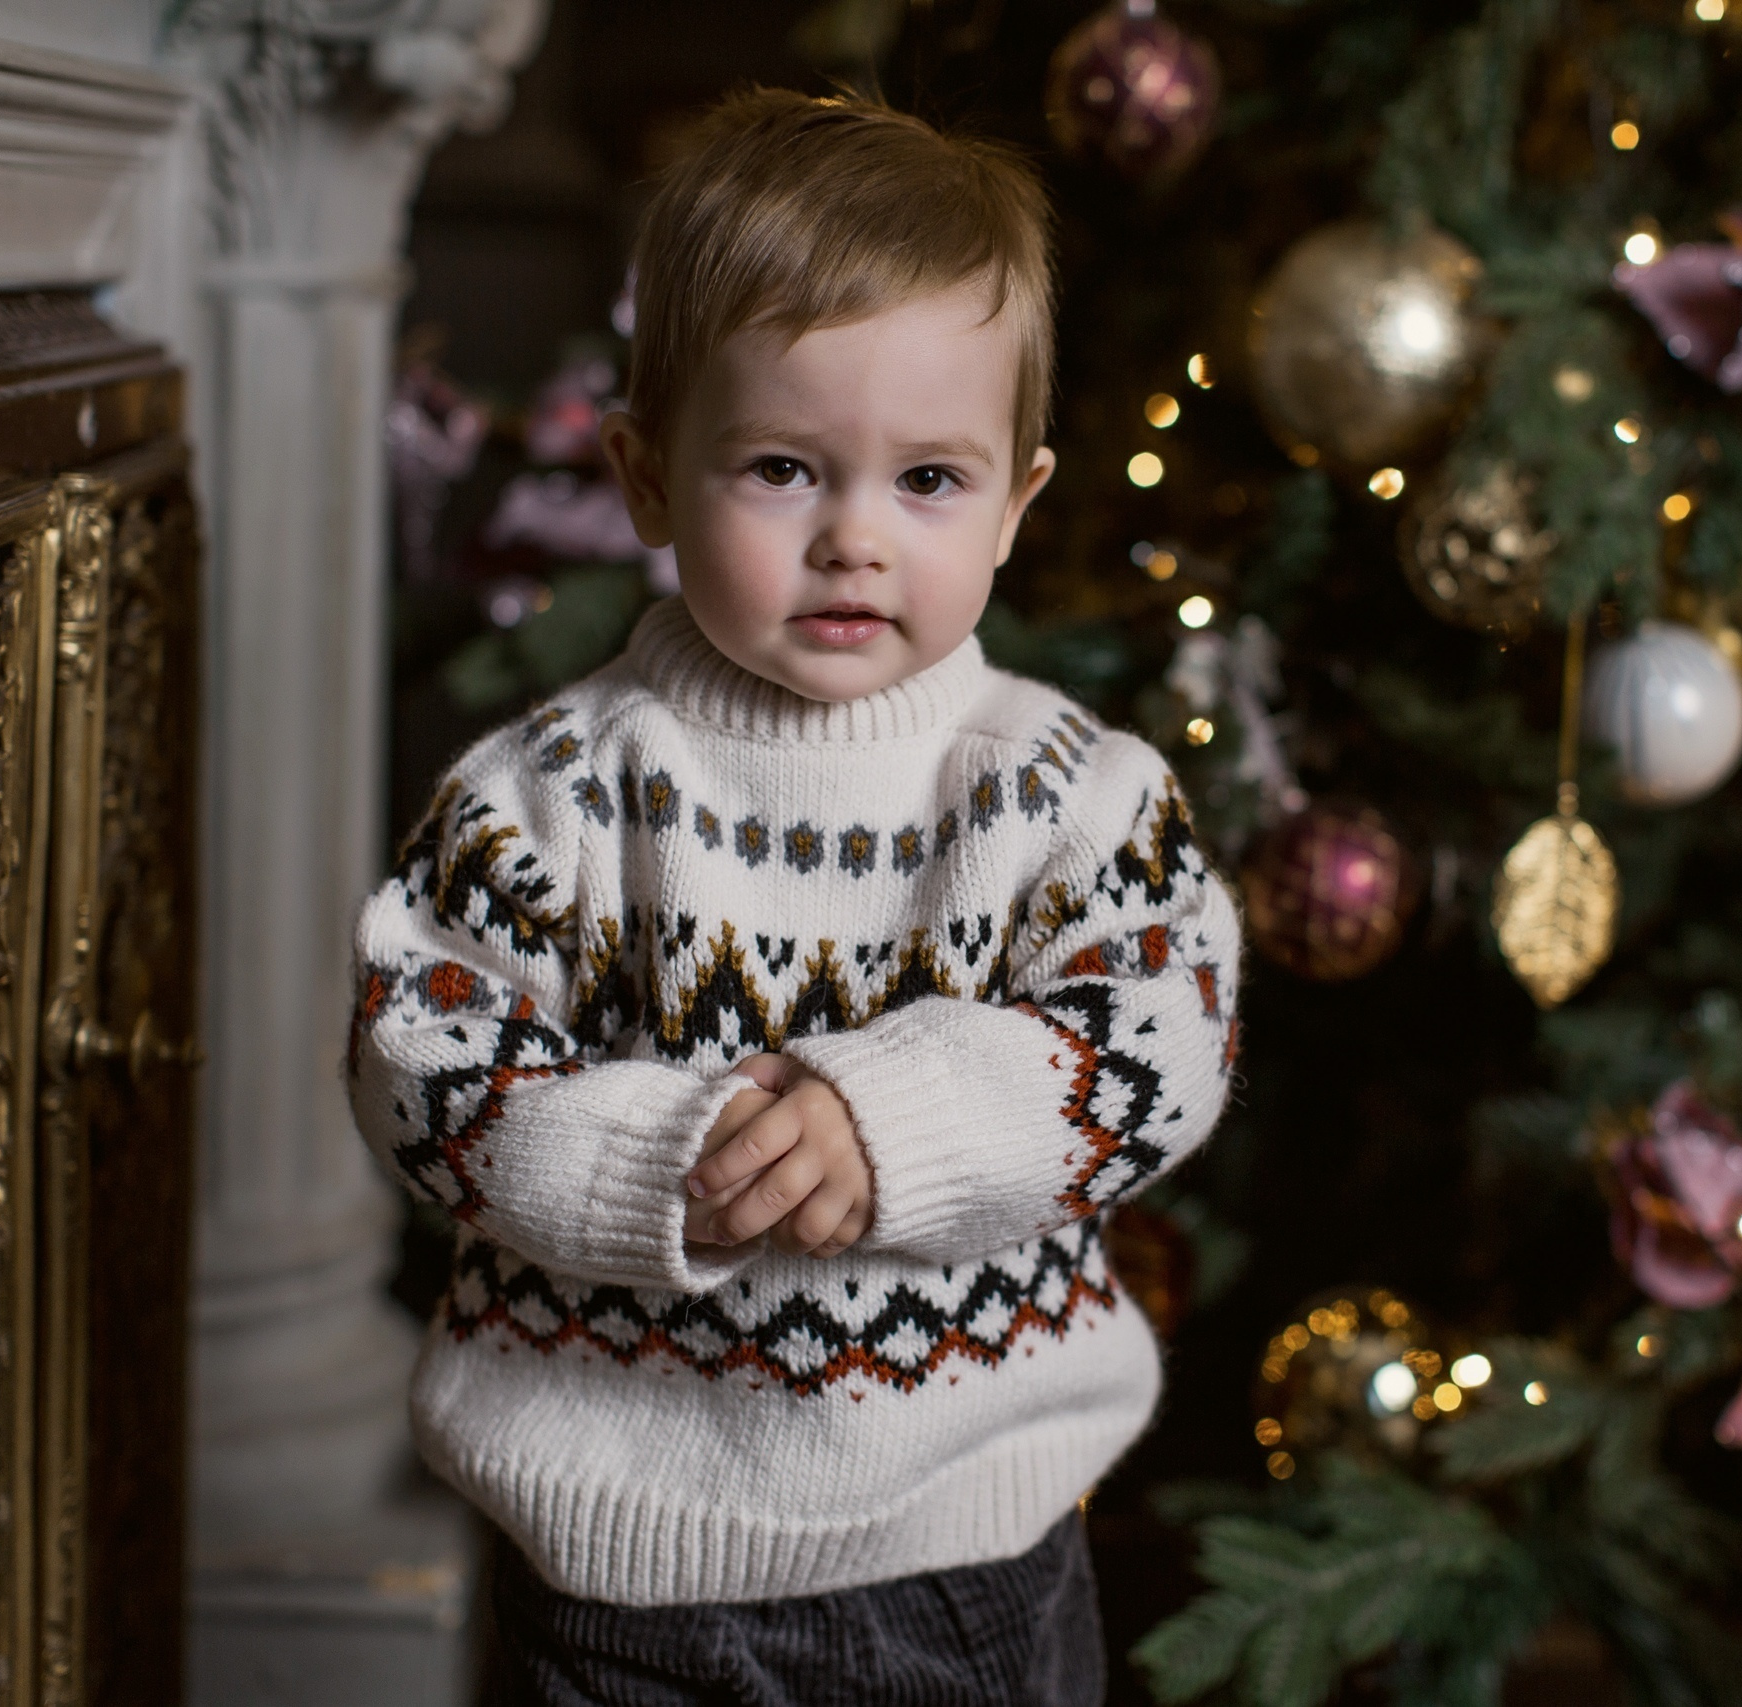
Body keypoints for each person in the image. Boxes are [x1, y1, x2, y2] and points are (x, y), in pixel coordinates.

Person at [345, 88, 1242, 1706]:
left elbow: (1165, 1029)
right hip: (617, 1578)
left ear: (1019, 500)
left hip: (967, 1566)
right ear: (643, 477)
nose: (854, 539)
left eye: (929, 481)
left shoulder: (1054, 788)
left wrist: (894, 1123)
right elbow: (422, 1052)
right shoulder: (555, 792)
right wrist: (658, 1165)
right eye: (780, 468)